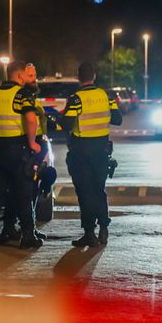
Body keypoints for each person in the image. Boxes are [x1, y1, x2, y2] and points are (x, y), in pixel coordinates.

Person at [0, 60, 43, 248]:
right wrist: (32, 143)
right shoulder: (22, 94)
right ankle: (28, 235)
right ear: (19, 76)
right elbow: (31, 119)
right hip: (18, 151)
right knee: (23, 193)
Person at [60, 61, 122, 247]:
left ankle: (89, 234)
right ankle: (104, 229)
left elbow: (67, 124)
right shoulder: (106, 96)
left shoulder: (76, 99)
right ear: (94, 75)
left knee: (85, 193)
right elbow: (118, 119)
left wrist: (60, 117)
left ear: (79, 78)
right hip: (102, 152)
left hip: (81, 153)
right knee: (99, 191)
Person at [1, 62, 51, 243]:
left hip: (35, 150)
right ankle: (24, 232)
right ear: (21, 77)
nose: (34, 79)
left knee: (29, 191)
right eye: (30, 76)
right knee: (23, 192)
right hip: (27, 152)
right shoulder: (22, 98)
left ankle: (15, 228)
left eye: (35, 76)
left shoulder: (32, 99)